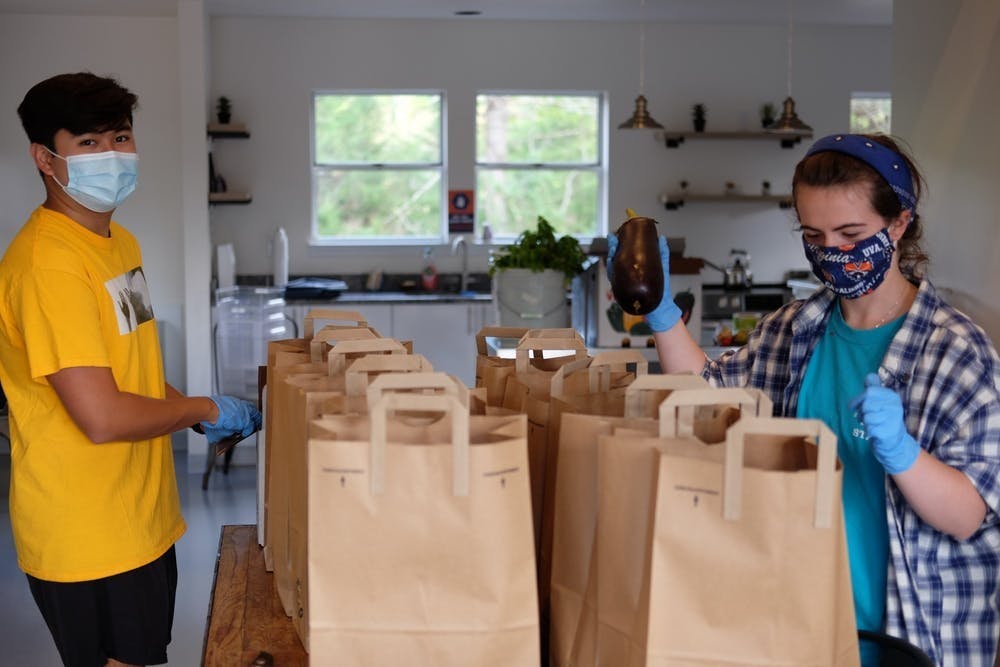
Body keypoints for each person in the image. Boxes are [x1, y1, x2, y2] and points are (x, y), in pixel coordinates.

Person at [608, 133, 1000, 665]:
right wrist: (660, 314)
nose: (832, 251)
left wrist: (905, 456)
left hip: (914, 635)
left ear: (900, 223)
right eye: (814, 235)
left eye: (851, 232)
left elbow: (968, 516)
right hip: (802, 621)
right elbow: (707, 395)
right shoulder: (797, 329)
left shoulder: (957, 351)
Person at [0, 72, 261, 667]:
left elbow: (130, 372)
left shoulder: (121, 244)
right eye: (89, 144)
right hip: (86, 528)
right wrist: (205, 407)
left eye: (120, 137)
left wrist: (193, 414)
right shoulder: (49, 265)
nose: (112, 155)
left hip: (140, 516)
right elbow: (101, 414)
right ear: (45, 157)